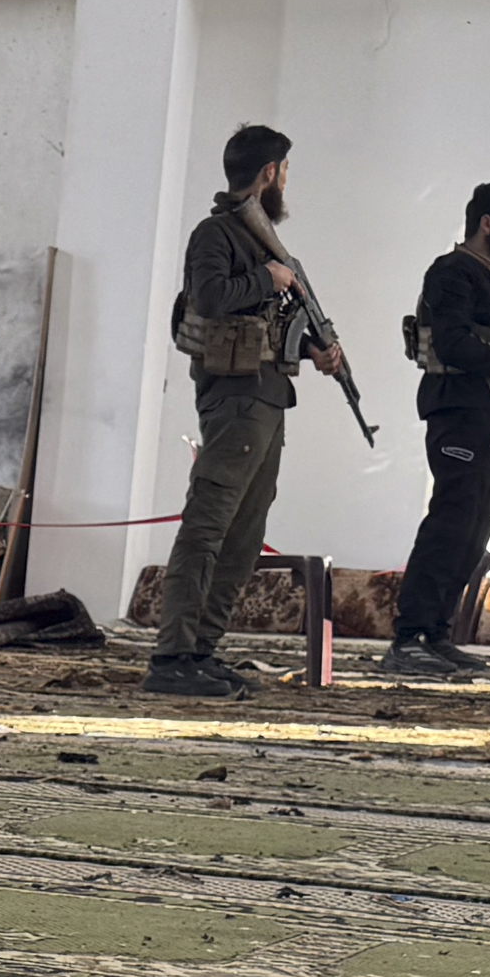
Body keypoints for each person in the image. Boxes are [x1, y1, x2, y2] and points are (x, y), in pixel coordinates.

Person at [146, 124, 352, 699]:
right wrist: (268, 276)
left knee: (243, 535)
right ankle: (171, 659)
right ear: (270, 173)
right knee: (207, 527)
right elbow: (211, 298)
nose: (287, 181)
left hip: (265, 396)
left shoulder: (262, 241)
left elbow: (270, 320)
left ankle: (199, 652)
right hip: (235, 399)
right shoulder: (216, 235)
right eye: (285, 171)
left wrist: (315, 350)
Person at [385, 181, 490, 678]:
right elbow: (452, 343)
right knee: (450, 523)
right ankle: (409, 637)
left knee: (474, 529)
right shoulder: (452, 273)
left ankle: (436, 634)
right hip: (460, 416)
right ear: (486, 223)